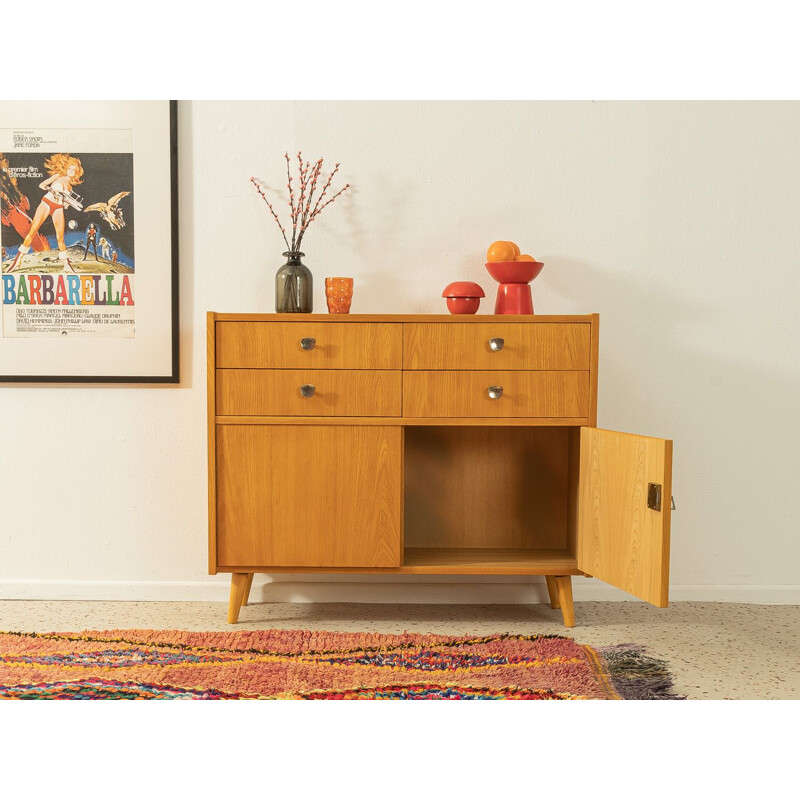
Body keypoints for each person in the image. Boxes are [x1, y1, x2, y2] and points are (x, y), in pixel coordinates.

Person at [6, 153, 84, 274]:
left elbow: (65, 203)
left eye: (74, 170)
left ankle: (66, 265)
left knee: (60, 237)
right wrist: (52, 191)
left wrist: (66, 204)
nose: (71, 171)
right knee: (32, 231)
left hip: (58, 207)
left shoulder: (69, 187)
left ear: (77, 173)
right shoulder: (58, 176)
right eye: (70, 168)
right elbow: (41, 185)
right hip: (46, 203)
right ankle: (18, 261)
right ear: (66, 168)